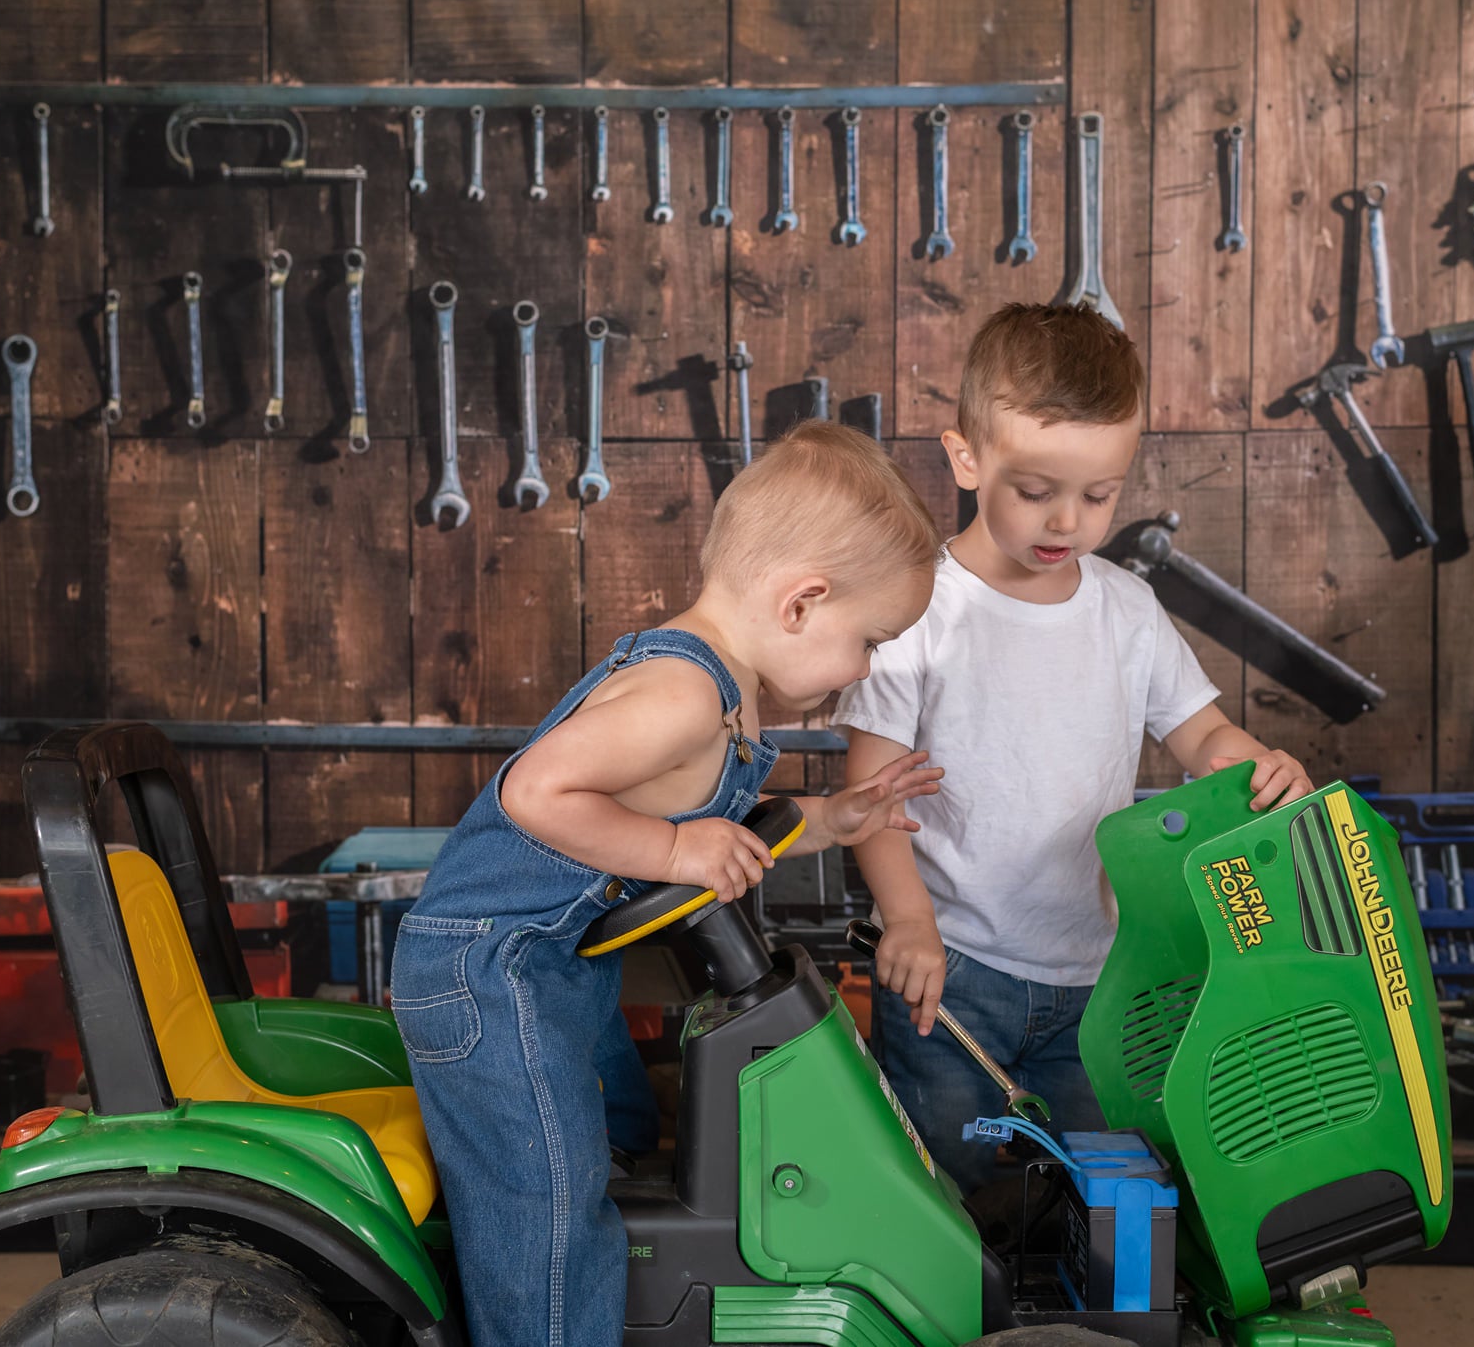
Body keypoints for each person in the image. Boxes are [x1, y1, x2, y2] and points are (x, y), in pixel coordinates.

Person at [393, 420, 945, 1347]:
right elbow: (536, 790)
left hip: (549, 965)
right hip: (485, 972)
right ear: (802, 603)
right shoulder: (683, 692)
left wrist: (839, 819)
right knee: (549, 1197)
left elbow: (734, 819)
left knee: (627, 1125)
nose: (865, 669)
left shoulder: (726, 687)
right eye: (870, 640)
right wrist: (674, 850)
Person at [833, 303, 1315, 1194]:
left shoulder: (1125, 610)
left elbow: (1201, 731)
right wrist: (907, 919)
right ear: (967, 457)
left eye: (1099, 496)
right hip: (952, 967)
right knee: (950, 1190)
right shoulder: (917, 612)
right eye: (1037, 491)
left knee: (1090, 1189)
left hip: (1103, 973)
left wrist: (1255, 766)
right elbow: (871, 791)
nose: (1068, 521)